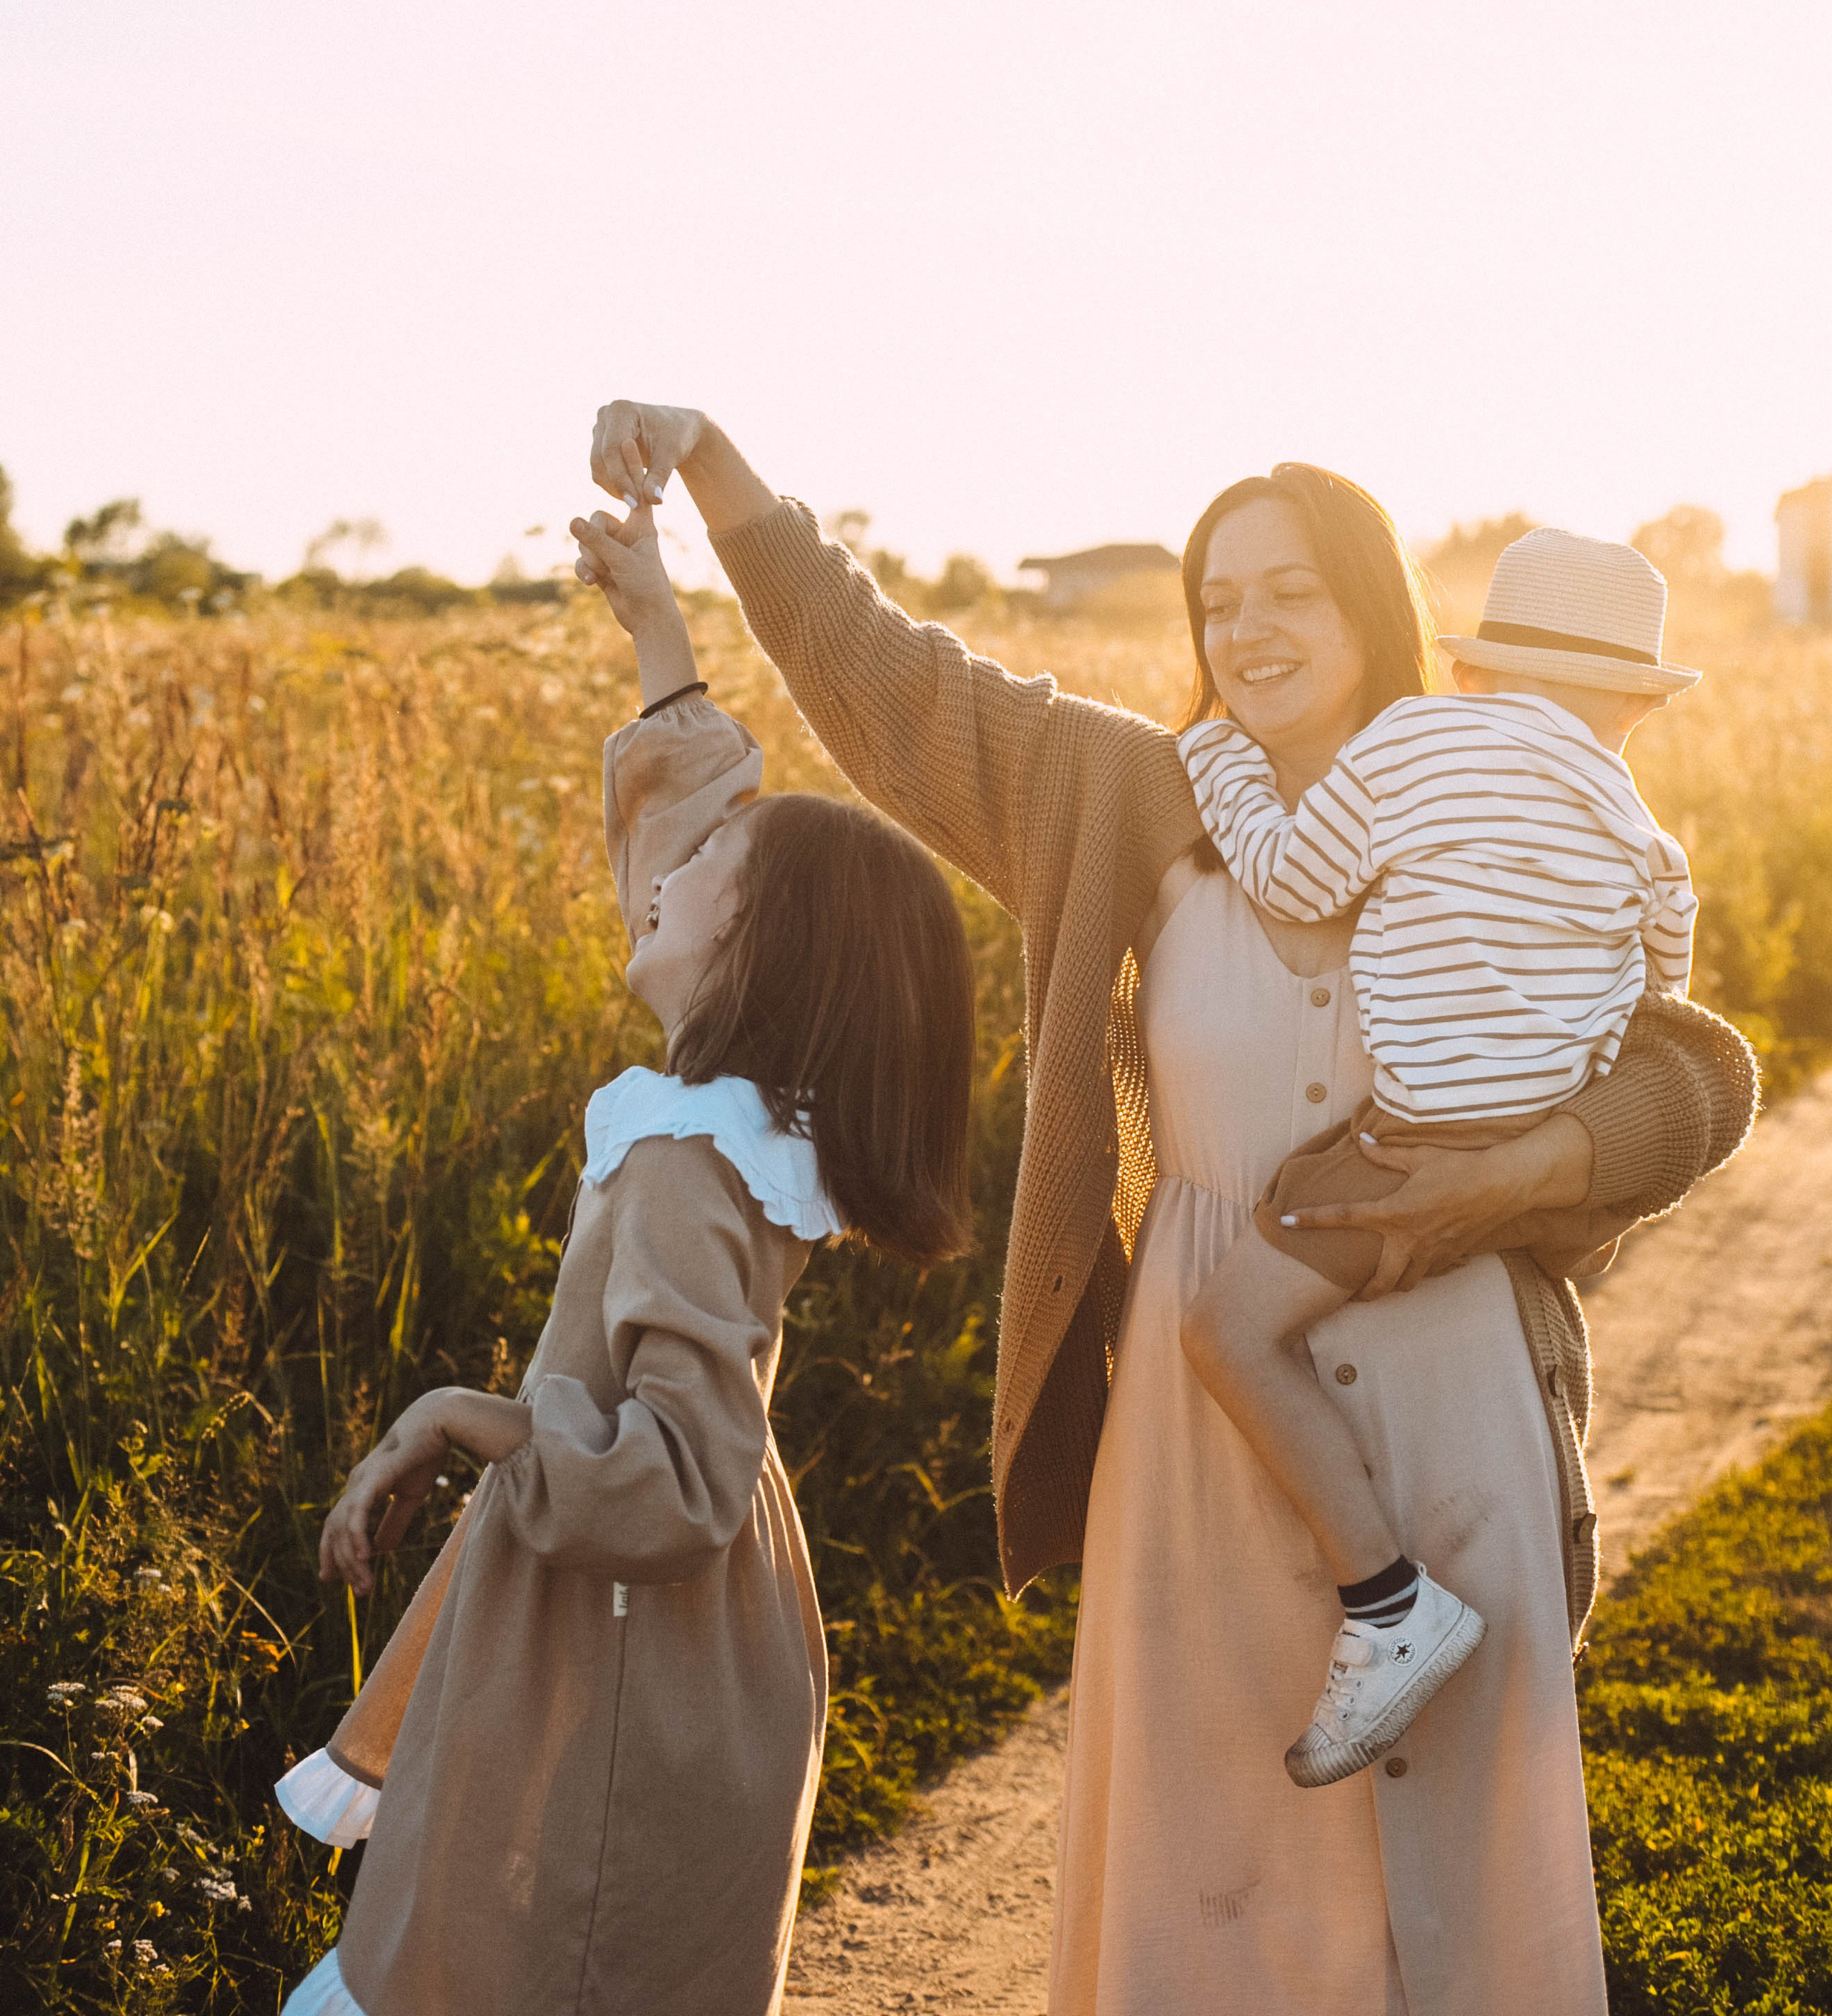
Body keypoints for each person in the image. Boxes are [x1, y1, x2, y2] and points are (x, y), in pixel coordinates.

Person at [575, 409, 1758, 2016]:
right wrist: (715, 470)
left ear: (1376, 609)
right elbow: (886, 682)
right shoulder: (1127, 797)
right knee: (1220, 1858)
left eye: (1293, 594)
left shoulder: (1483, 792)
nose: (1250, 630)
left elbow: (1694, 1063)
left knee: (1454, 1871)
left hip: (1458, 1388)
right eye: (1219, 600)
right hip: (1202, 1416)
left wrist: (1519, 1173)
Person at [273, 500, 975, 2016]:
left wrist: (458, 1418)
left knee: (528, 1949)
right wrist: (654, 615)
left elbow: (671, 1482)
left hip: (624, 1621)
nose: (662, 865)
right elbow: (684, 814)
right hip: (654, 1616)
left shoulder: (678, 1155)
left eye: (711, 863)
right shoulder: (725, 1112)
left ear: (746, 952)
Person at [1174, 527, 1700, 1788]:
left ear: (1471, 674)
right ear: (1637, 699)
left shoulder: (1411, 748)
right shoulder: (1651, 845)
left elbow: (1295, 884)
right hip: (1538, 1136)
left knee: (1227, 1332)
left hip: (1411, 1136)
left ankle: (1391, 1604)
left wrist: (1219, 760)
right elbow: (1659, 1024)